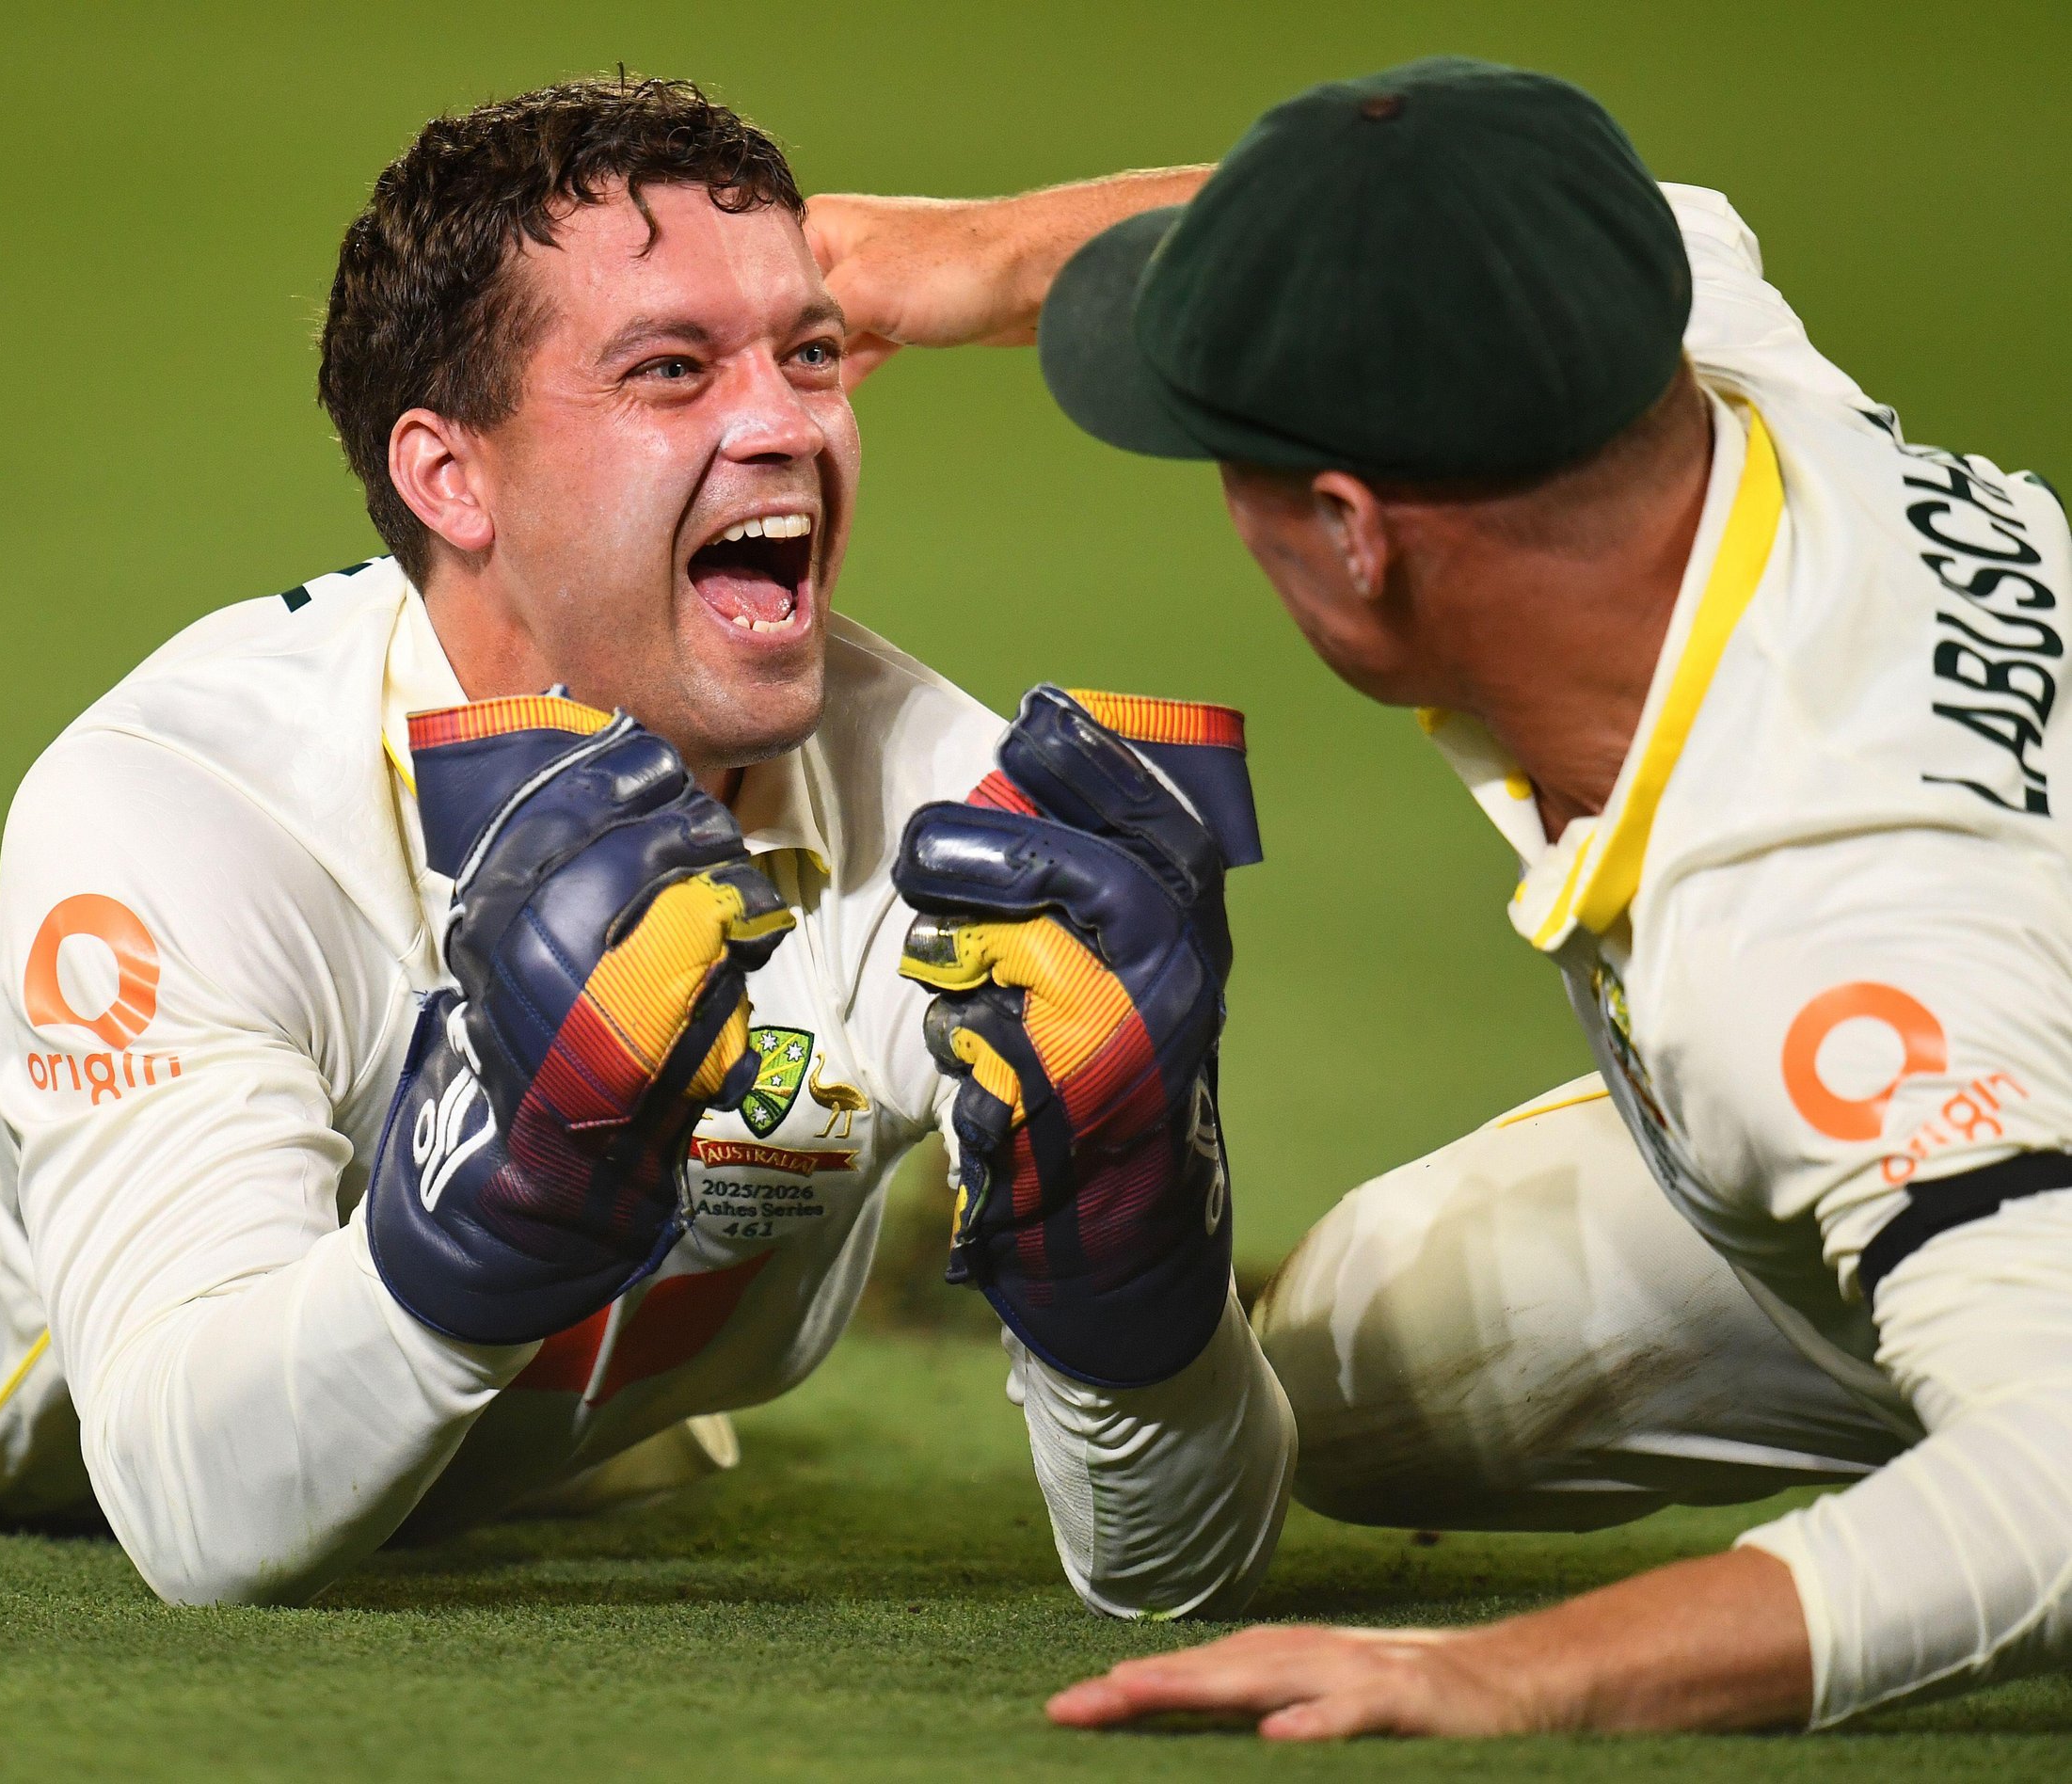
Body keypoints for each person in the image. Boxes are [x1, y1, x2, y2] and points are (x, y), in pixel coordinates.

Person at [0, 74, 1296, 1614]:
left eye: (806, 355)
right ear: (445, 472)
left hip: (453, 1413)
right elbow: (195, 1513)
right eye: (669, 373)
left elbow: (1173, 1565)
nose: (785, 427)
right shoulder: (188, 808)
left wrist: (1132, 1285)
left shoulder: (936, 811)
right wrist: (507, 1212)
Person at [809, 56, 2072, 1735]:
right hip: (1962, 1016)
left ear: (1352, 532)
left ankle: (1967, 1299)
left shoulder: (1817, 935)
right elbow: (1589, 214)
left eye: (1224, 453)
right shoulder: (1676, 362)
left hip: (1951, 1043)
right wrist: (982, 259)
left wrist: (1506, 1670)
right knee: (1362, 1374)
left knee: (2004, 1437)